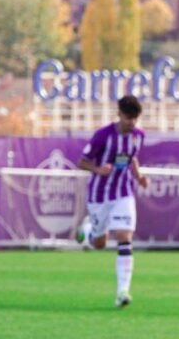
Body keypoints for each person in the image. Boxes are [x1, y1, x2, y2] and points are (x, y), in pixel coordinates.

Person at [75, 94, 149, 308]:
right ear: (119, 114)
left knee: (125, 237)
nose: (132, 123)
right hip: (99, 196)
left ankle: (122, 292)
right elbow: (81, 161)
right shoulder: (102, 136)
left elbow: (132, 158)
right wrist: (98, 169)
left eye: (135, 118)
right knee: (99, 244)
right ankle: (88, 230)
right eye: (128, 118)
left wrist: (139, 176)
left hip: (124, 193)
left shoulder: (138, 136)